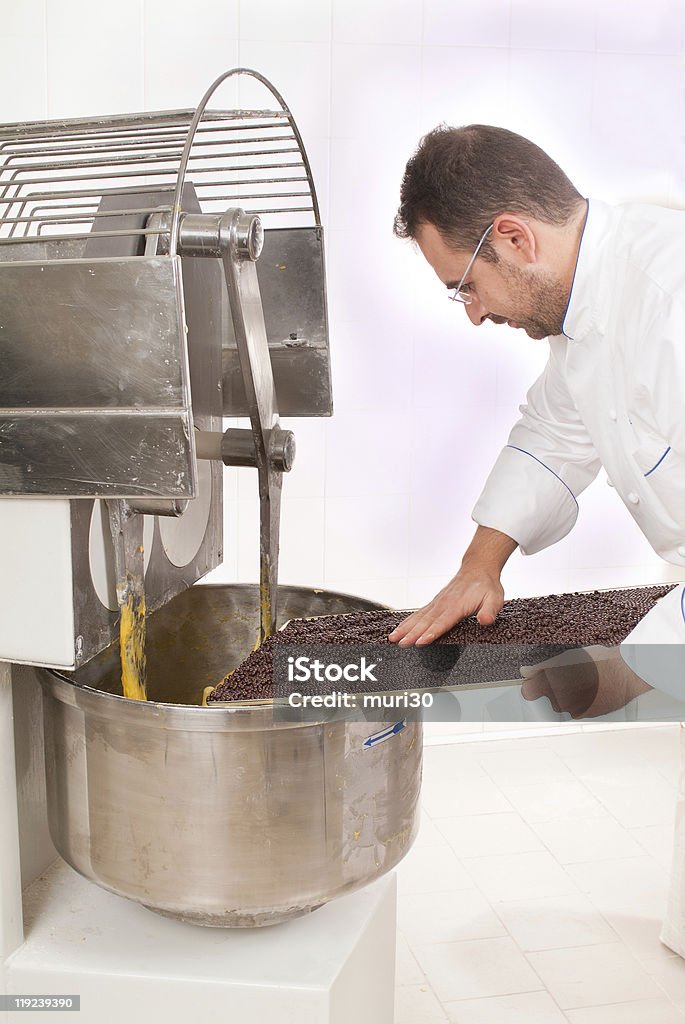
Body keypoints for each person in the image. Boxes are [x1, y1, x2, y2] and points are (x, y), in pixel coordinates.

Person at [389, 123, 685, 953]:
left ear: (513, 237)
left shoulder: (674, 303)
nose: (473, 314)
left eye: (464, 286)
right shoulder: (598, 302)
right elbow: (555, 429)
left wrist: (631, 669)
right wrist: (479, 566)